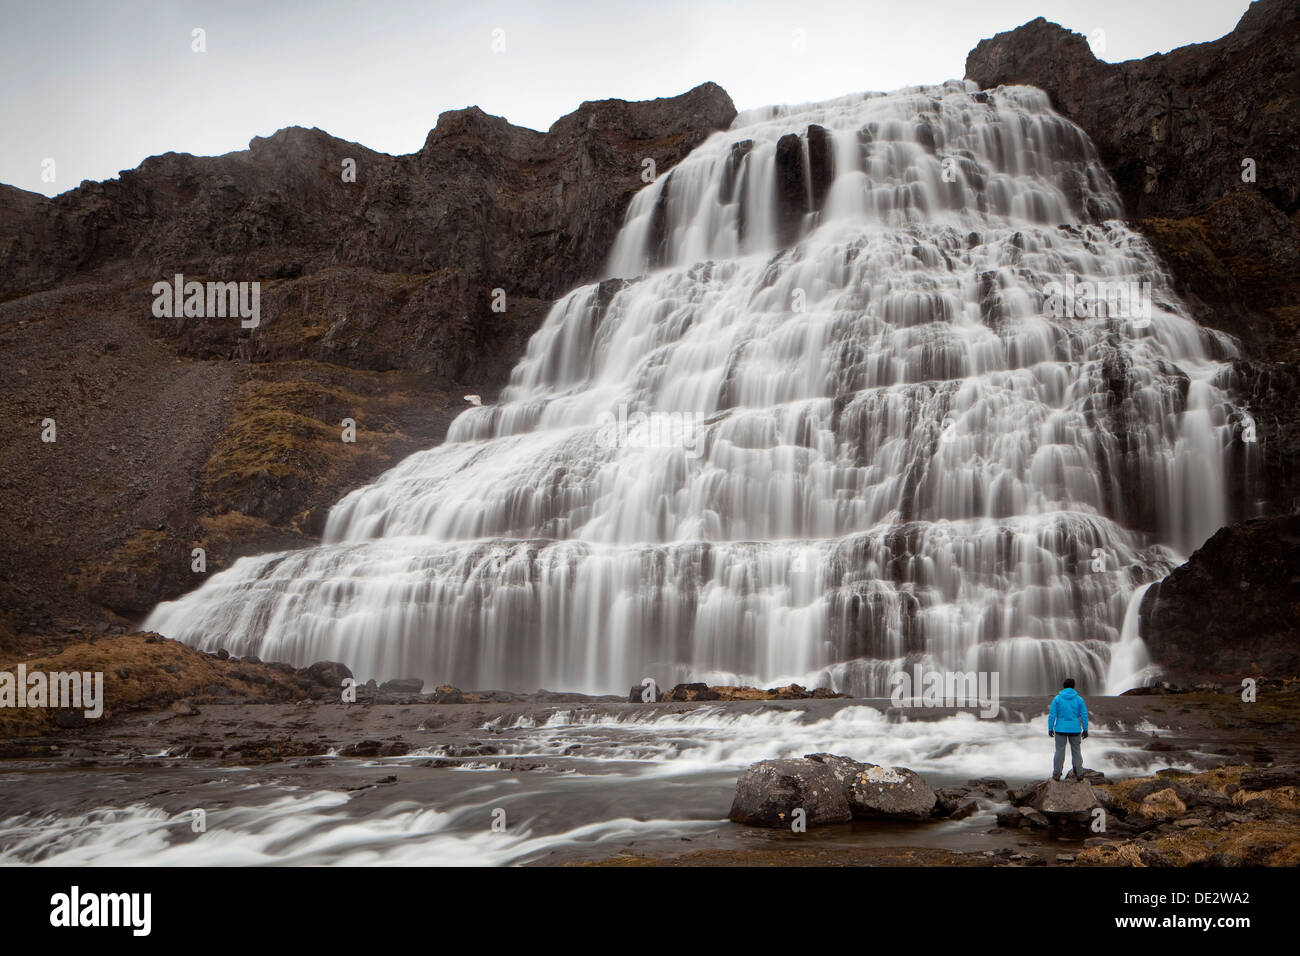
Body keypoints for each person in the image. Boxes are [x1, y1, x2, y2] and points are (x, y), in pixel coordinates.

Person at [1047, 677, 1089, 781]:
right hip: (1075, 729)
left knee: (1059, 752)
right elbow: (1084, 715)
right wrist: (1086, 729)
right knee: (1076, 752)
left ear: (1063, 686)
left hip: (1060, 729)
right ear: (1074, 686)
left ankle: (1056, 774)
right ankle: (1079, 773)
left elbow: (1052, 715)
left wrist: (1050, 728)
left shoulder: (1057, 699)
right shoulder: (1079, 699)